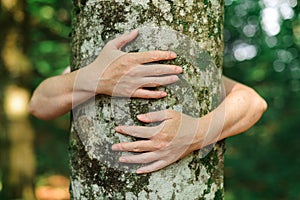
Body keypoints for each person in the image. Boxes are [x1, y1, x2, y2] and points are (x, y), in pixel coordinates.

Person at [29, 30, 267, 174]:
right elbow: (39, 103)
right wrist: (98, 78)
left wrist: (197, 133)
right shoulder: (85, 65)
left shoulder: (186, 69)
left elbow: (253, 103)